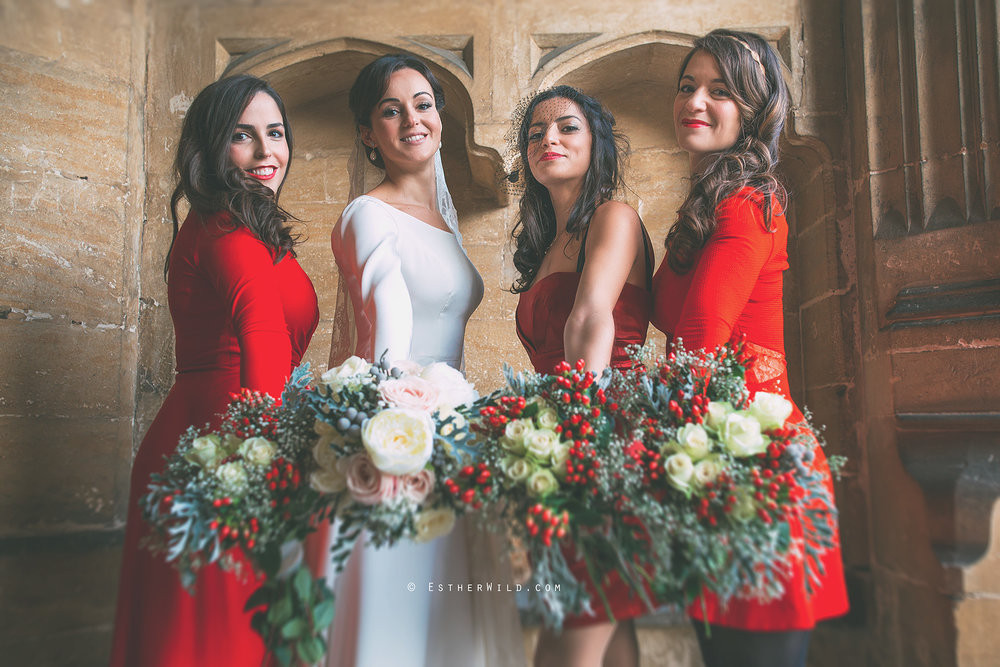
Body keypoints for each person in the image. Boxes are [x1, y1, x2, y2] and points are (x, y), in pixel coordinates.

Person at [649, 29, 849, 667]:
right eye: (687, 87)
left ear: (755, 109)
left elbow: (700, 339)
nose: (696, 101)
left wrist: (648, 441)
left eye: (720, 91)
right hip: (716, 444)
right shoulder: (706, 204)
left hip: (756, 454)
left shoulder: (748, 201)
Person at [319, 53, 523, 667]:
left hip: (455, 438)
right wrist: (399, 432)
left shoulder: (444, 217)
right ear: (367, 134)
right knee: (397, 630)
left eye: (423, 104)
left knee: (447, 632)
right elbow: (389, 325)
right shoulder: (367, 213)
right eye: (391, 109)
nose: (413, 119)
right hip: (396, 439)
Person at [110, 75, 319, 666]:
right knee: (217, 643)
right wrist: (265, 462)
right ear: (211, 146)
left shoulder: (240, 225)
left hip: (222, 431)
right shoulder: (226, 226)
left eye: (275, 134)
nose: (265, 153)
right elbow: (262, 338)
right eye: (242, 136)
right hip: (223, 449)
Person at [509, 85, 653, 667]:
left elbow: (592, 322)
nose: (549, 139)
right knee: (600, 621)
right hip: (563, 423)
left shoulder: (614, 216)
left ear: (597, 142)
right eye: (535, 132)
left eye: (567, 127)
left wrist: (577, 444)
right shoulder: (546, 247)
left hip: (601, 426)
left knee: (574, 632)